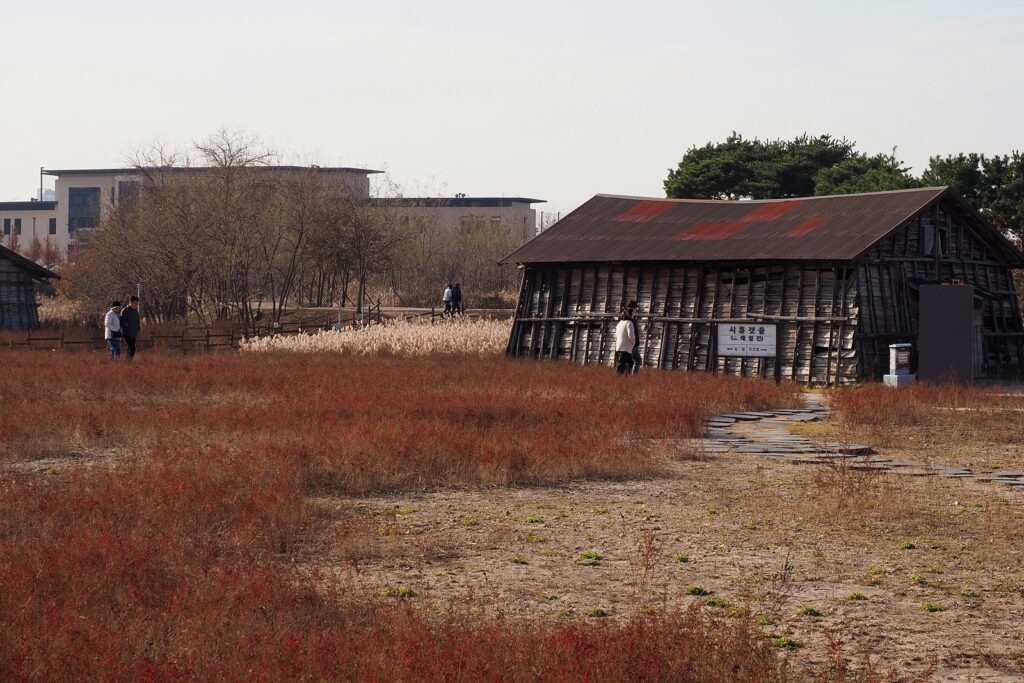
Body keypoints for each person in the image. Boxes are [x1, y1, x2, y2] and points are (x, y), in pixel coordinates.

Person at [614, 303, 637, 374]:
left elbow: (616, 335)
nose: (634, 315)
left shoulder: (620, 323)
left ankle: (626, 378)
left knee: (630, 362)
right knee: (621, 366)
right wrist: (633, 342)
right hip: (625, 348)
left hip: (619, 347)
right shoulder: (629, 323)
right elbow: (631, 336)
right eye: (632, 314)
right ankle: (618, 379)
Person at [120, 295, 142, 360]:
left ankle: (128, 362)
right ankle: (128, 361)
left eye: (137, 304)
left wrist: (138, 329)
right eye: (135, 303)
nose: (136, 305)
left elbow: (137, 321)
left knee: (131, 349)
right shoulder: (125, 311)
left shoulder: (136, 311)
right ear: (130, 302)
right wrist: (127, 330)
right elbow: (122, 323)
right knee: (132, 348)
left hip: (133, 333)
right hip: (126, 334)